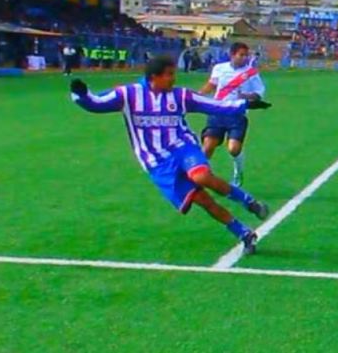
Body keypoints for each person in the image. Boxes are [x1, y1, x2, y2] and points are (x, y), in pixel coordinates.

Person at [69, 55, 272, 255]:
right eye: (169, 75)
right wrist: (81, 93)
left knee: (200, 176)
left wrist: (244, 105)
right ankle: (243, 233)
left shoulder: (180, 96)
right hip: (156, 161)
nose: (173, 79)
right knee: (203, 201)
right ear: (153, 77)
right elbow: (96, 103)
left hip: (182, 146)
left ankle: (249, 202)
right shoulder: (128, 94)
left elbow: (213, 104)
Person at [201, 43, 266, 187]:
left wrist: (246, 95)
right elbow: (211, 85)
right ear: (232, 54)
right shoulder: (219, 69)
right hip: (217, 111)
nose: (244, 58)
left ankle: (238, 172)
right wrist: (197, 95)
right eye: (241, 55)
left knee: (233, 149)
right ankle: (202, 177)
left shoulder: (251, 73)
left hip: (237, 114)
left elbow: (259, 94)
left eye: (246, 55)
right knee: (207, 147)